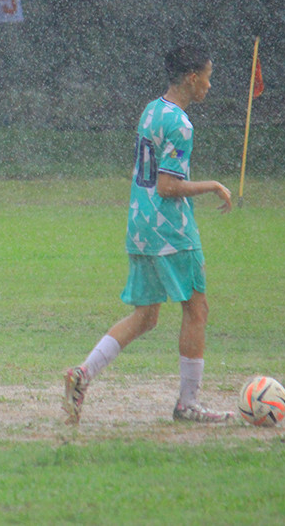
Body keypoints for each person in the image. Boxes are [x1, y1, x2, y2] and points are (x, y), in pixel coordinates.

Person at [63, 43, 235, 425]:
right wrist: (212, 186)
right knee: (196, 308)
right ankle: (188, 404)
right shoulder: (181, 124)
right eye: (208, 75)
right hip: (171, 229)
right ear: (192, 78)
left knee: (145, 316)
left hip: (140, 224)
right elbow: (168, 186)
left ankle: (83, 374)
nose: (210, 83)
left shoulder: (151, 109)